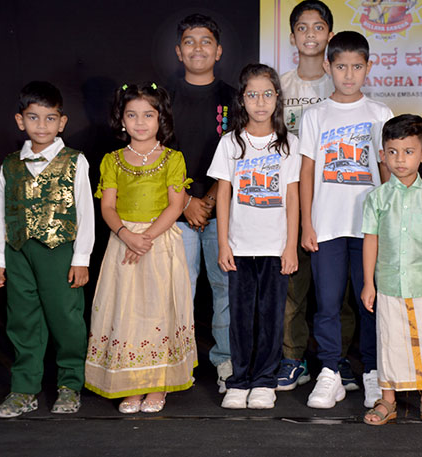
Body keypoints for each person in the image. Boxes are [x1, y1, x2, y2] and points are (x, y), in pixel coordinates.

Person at [85, 82, 197, 414]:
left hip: (159, 243)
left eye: (148, 115)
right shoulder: (113, 160)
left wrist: (145, 238)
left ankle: (158, 384)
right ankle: (130, 385)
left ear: (161, 118)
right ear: (121, 120)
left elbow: (175, 206)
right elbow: (107, 206)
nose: (140, 122)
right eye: (132, 115)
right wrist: (126, 235)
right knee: (127, 312)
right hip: (123, 242)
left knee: (159, 311)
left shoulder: (173, 159)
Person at [299, 30, 394, 409]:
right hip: (327, 226)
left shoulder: (380, 113)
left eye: (357, 66)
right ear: (328, 66)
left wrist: (389, 221)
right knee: (326, 304)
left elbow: (387, 170)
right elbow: (307, 172)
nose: (349, 74)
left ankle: (372, 371)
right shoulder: (315, 115)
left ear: (368, 67)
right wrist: (307, 223)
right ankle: (330, 373)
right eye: (341, 67)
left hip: (369, 229)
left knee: (369, 302)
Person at [0, 81, 94, 418]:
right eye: (33, 117)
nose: (41, 125)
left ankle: (70, 384)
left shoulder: (75, 161)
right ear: (20, 120)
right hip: (18, 252)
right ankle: (24, 389)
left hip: (59, 252)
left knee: (66, 318)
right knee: (22, 320)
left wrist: (81, 258)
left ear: (61, 122)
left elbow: (85, 211)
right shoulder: (10, 164)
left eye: (50, 118)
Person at [208, 64, 300, 409]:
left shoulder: (289, 144)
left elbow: (292, 198)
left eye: (267, 94)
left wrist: (290, 246)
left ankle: (264, 380)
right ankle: (240, 379)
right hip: (240, 246)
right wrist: (223, 244)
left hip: (275, 247)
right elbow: (223, 195)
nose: (260, 102)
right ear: (242, 100)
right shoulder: (230, 143)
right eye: (252, 95)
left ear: (277, 98)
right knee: (241, 317)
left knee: (271, 316)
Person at [277, 0, 358, 393]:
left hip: (333, 205)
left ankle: (336, 358)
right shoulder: (279, 86)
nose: (310, 34)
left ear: (330, 35)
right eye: (302, 27)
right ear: (292, 36)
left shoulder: (343, 81)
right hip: (287, 201)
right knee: (293, 288)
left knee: (337, 293)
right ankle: (293, 358)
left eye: (318, 27)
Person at [361, 114, 422, 428]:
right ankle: (387, 400)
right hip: (388, 283)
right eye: (393, 152)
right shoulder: (376, 199)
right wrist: (368, 283)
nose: (400, 159)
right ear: (382, 155)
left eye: (408, 151)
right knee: (389, 340)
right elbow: (371, 241)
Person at [171, 13, 237, 392]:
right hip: (174, 211)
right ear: (179, 51)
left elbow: (240, 154)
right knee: (179, 290)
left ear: (219, 50)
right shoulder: (163, 98)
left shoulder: (233, 98)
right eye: (190, 42)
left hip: (221, 210)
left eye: (206, 41)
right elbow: (156, 155)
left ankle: (226, 362)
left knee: (224, 287)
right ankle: (176, 364)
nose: (198, 48)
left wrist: (208, 200)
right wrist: (185, 203)